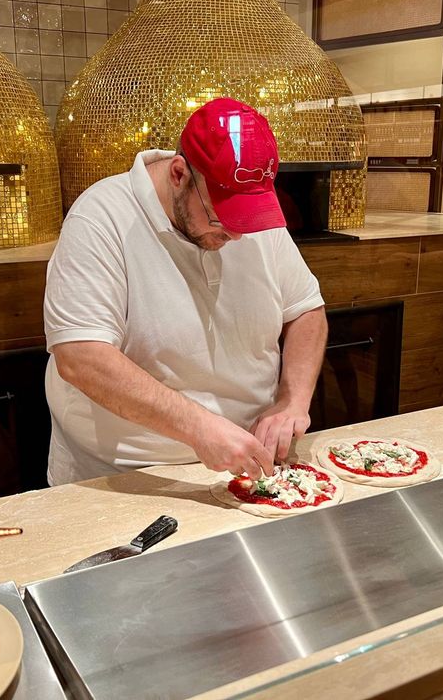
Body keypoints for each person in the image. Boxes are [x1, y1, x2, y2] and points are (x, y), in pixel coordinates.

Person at [43, 97, 327, 486]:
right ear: (179, 174)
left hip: (252, 466)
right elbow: (80, 357)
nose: (236, 235)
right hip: (126, 477)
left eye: (248, 220)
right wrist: (200, 429)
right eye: (220, 218)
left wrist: (292, 401)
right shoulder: (101, 217)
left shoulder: (250, 218)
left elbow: (306, 310)